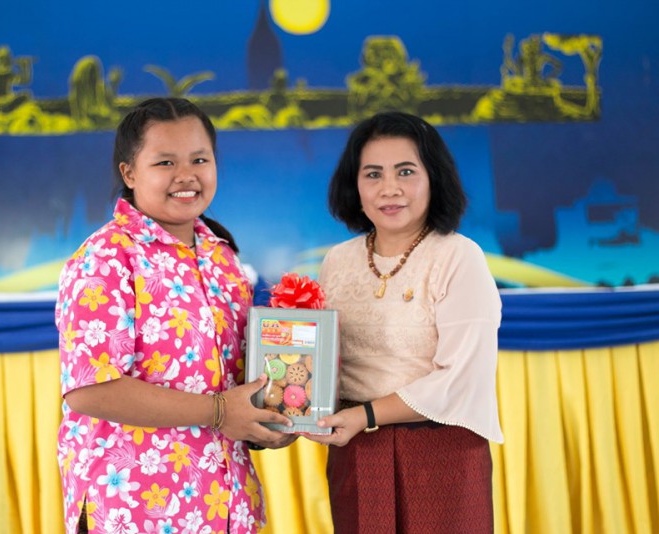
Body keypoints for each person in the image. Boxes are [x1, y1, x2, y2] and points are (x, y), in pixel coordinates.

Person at [56, 97, 295, 534]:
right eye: (165, 162)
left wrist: (271, 421)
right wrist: (219, 411)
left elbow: (237, 383)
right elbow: (89, 390)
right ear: (129, 173)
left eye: (199, 159)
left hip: (226, 507)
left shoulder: (223, 257)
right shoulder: (106, 258)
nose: (186, 175)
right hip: (135, 510)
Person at [306, 111, 504, 533]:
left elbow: (461, 378)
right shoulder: (337, 261)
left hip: (440, 449)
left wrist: (366, 415)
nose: (389, 188)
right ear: (355, 185)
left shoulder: (458, 257)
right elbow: (323, 362)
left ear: (434, 178)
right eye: (373, 174)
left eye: (406, 171)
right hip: (356, 451)